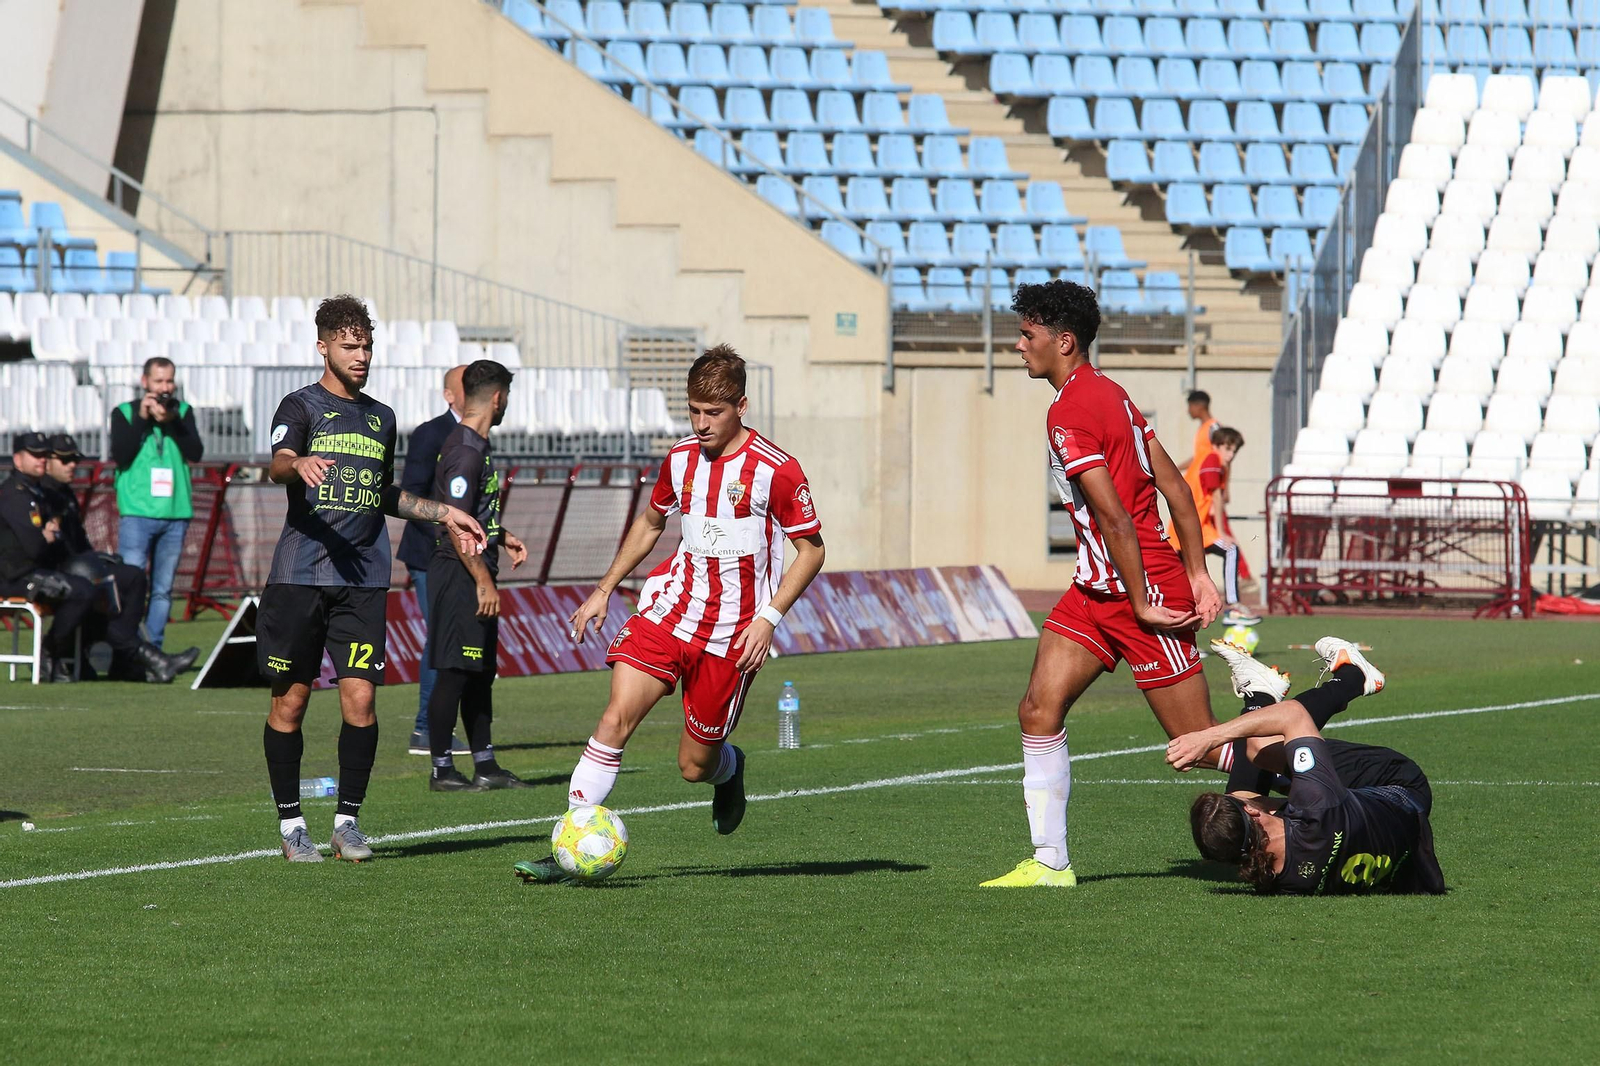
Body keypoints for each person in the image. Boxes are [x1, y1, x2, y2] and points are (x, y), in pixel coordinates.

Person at [514, 345, 826, 884]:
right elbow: (652, 522)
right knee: (614, 719)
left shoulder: (776, 470)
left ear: (742, 406)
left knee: (693, 766)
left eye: (714, 413)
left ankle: (729, 770)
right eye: (694, 410)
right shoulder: (679, 459)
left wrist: (768, 618)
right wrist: (604, 588)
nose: (701, 424)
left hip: (734, 633)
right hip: (669, 611)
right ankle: (566, 846)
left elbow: (813, 551)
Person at [980, 280, 1222, 889]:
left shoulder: (1068, 412)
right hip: (1095, 592)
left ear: (1063, 341)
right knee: (1038, 709)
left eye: (1027, 335)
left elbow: (1116, 515)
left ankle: (1313, 764)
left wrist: (1154, 595)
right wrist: (1200, 570)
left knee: (1204, 748)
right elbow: (1176, 489)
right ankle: (1050, 862)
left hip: (1142, 595)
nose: (1017, 346)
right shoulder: (1114, 396)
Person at [257, 295, 485, 863]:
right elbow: (278, 461)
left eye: (366, 346)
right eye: (349, 345)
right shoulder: (301, 404)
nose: (360, 356)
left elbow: (385, 494)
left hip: (362, 579)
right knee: (291, 703)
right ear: (323, 347)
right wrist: (298, 463)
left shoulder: (380, 418)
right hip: (301, 577)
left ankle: (347, 824)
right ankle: (291, 829)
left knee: (361, 701)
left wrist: (445, 512)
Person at [1169, 637, 1446, 895]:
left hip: (1392, 839)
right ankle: (1354, 676)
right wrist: (1209, 737)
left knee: (1246, 786)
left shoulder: (1273, 879)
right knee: (1260, 747)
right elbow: (1293, 715)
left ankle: (1261, 693)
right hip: (1399, 788)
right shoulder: (1317, 805)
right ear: (1253, 813)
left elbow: (1247, 813)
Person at [422, 359, 533, 792]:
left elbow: (472, 516)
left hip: (475, 568)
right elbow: (453, 523)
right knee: (454, 669)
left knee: (480, 671)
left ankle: (485, 765)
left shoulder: (475, 446)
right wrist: (482, 581)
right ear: (498, 397)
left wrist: (501, 536)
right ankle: (442, 770)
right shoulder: (465, 451)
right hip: (459, 574)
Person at [0, 432, 188, 683]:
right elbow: (34, 547)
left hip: (50, 569)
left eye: (44, 455)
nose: (41, 460)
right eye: (35, 455)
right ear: (18, 459)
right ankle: (54, 651)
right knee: (85, 591)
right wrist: (47, 536)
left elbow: (71, 543)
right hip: (19, 575)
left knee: (129, 577)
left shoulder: (42, 494)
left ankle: (127, 660)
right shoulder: (16, 494)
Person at [397, 363, 470, 757]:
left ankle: (441, 726)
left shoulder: (476, 436)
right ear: (449, 395)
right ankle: (426, 728)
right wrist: (447, 539)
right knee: (440, 637)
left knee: (452, 638)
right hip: (431, 554)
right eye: (466, 384)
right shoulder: (431, 433)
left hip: (461, 556)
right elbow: (411, 497)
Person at [109, 356, 204, 651]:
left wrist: (172, 421)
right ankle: (128, 647)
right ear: (145, 382)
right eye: (159, 381)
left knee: (163, 590)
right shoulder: (124, 412)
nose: (165, 388)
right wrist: (142, 417)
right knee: (131, 584)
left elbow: (196, 453)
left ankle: (154, 649)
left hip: (175, 513)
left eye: (169, 381)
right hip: (137, 512)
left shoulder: (183, 412)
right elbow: (121, 455)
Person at [1170, 426, 1258, 625]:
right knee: (1231, 549)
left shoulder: (1207, 458)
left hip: (1189, 527)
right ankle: (1233, 607)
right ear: (1216, 445)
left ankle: (1185, 638)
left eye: (1234, 451)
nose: (1231, 455)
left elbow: (1220, 497)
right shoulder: (1212, 459)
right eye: (1227, 449)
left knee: (1188, 587)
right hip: (1194, 528)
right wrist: (1221, 531)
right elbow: (1218, 497)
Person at [1176, 390, 1218, 478]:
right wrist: (1176, 469)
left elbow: (1221, 456)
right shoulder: (1203, 428)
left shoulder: (1213, 427)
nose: (1188, 411)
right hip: (1197, 485)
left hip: (1207, 486)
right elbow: (1198, 458)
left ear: (1199, 406)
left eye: (1190, 406)